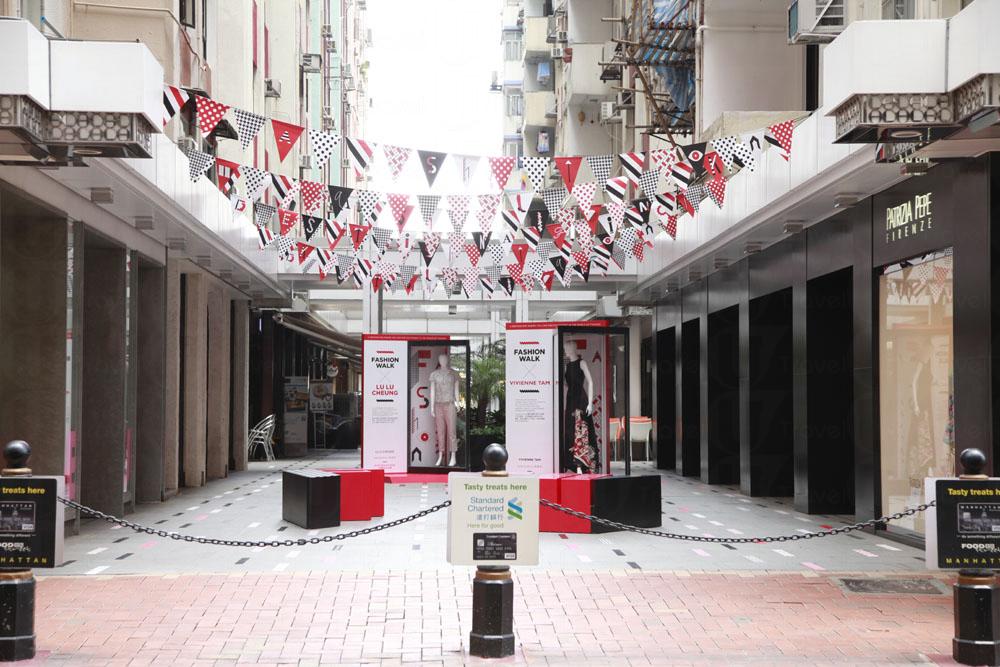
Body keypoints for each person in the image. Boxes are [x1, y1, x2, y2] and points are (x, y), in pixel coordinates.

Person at [562, 338, 599, 473]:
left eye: (567, 348)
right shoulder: (567, 366)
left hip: (580, 399)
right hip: (570, 400)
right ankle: (571, 463)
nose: (565, 351)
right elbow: (566, 383)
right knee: (570, 430)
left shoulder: (581, 363)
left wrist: (590, 404)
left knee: (581, 430)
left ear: (573, 349)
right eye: (565, 349)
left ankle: (582, 464)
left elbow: (590, 382)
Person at [429, 353, 460, 467]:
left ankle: (453, 456)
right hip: (438, 405)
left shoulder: (454, 374)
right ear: (439, 360)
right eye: (441, 359)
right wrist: (432, 407)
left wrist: (458, 402)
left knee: (452, 431)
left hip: (450, 404)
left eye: (445, 359)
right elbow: (432, 391)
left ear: (447, 360)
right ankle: (440, 455)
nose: (443, 361)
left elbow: (456, 390)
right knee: (440, 431)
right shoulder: (434, 374)